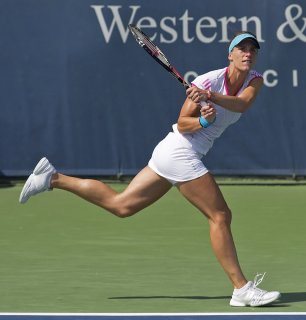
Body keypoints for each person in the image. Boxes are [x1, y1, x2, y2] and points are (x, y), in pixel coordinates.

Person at [19, 31, 281, 307]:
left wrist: (210, 99)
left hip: (174, 154)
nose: (247, 53)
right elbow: (182, 124)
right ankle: (241, 289)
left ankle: (52, 178)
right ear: (230, 55)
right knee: (219, 215)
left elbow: (241, 104)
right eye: (241, 48)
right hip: (180, 151)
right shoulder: (206, 80)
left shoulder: (254, 80)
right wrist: (203, 122)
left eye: (253, 49)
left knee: (122, 206)